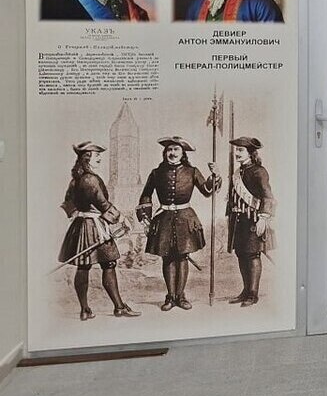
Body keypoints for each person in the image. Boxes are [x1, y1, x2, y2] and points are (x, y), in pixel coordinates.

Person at [137, 137, 221, 311]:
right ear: (165, 153)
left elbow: (207, 191)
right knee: (167, 258)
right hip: (163, 219)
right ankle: (170, 297)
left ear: (183, 153)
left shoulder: (192, 171)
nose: (172, 153)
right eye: (169, 150)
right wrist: (145, 220)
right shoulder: (156, 173)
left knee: (182, 257)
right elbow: (146, 195)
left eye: (176, 149)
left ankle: (181, 296)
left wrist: (216, 176)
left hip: (185, 219)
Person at [58, 142, 140, 320]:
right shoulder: (90, 179)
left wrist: (78, 214)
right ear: (87, 159)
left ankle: (85, 310)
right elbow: (103, 204)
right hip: (94, 227)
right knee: (108, 265)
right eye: (97, 156)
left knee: (83, 266)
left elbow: (68, 203)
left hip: (81, 226)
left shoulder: (76, 179)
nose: (100, 158)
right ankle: (118, 307)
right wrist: (122, 218)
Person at [226, 136, 276, 307]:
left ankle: (253, 294)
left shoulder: (259, 171)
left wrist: (263, 218)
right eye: (236, 150)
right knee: (241, 254)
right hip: (238, 221)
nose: (237, 153)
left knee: (253, 255)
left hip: (253, 220)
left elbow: (267, 196)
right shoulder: (237, 173)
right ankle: (245, 291)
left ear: (250, 153)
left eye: (240, 150)